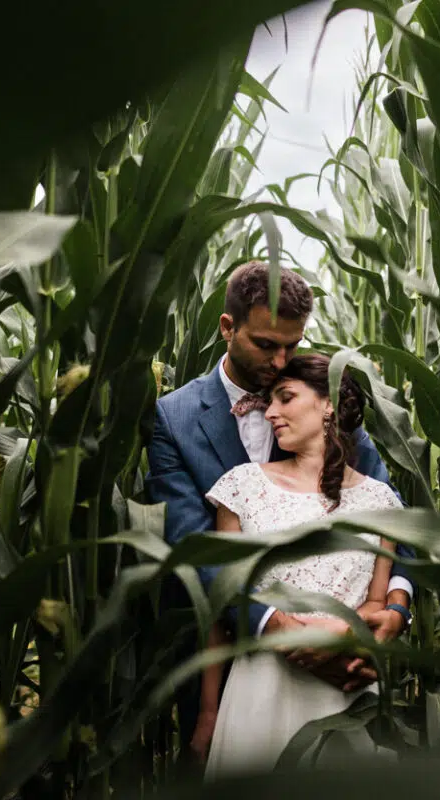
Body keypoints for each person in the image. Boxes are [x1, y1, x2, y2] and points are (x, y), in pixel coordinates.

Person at [144, 261, 416, 768]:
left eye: (293, 345)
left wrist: (392, 612)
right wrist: (283, 630)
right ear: (228, 328)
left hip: (353, 663)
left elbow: (397, 519)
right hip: (232, 664)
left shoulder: (324, 405)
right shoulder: (174, 418)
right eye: (267, 345)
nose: (281, 360)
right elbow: (195, 550)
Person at [198, 353, 404, 778]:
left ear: (328, 403)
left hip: (346, 689)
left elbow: (378, 601)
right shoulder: (241, 487)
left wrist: (338, 634)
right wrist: (208, 712)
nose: (271, 412)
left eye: (285, 398)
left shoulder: (381, 501)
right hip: (260, 691)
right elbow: (221, 606)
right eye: (269, 401)